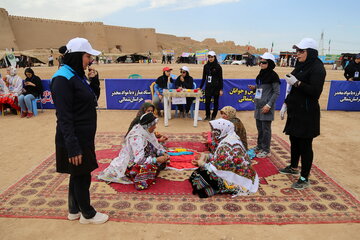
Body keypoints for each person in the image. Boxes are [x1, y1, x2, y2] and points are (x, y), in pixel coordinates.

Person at [50, 37, 108, 224]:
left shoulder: (76, 76)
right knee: (83, 175)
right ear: (76, 56)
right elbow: (64, 116)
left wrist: (95, 81)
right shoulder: (62, 79)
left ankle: (74, 210)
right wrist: (73, 147)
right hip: (74, 137)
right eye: (87, 56)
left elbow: (91, 100)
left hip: (82, 135)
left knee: (77, 174)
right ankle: (88, 214)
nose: (90, 60)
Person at [279, 38, 326, 190]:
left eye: (301, 51)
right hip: (295, 109)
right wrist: (286, 103)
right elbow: (292, 88)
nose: (297, 54)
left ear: (310, 52)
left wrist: (297, 83)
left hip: (307, 112)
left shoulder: (318, 68)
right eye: (296, 51)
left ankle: (304, 177)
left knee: (305, 145)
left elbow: (315, 92)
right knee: (294, 140)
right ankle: (293, 167)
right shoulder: (300, 65)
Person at [98, 112, 170, 190]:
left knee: (161, 160)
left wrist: (163, 153)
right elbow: (139, 160)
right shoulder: (137, 137)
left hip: (145, 156)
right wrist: (156, 159)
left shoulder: (147, 132)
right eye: (153, 125)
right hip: (133, 162)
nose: (155, 127)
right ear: (148, 126)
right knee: (147, 168)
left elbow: (155, 146)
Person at [189, 119, 259, 198]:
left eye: (214, 131)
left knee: (204, 177)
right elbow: (219, 158)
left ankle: (231, 187)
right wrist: (205, 156)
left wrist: (201, 163)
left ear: (222, 130)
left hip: (240, 180)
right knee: (199, 173)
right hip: (240, 175)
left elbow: (215, 169)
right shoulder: (229, 138)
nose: (212, 133)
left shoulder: (227, 145)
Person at [248, 52, 280, 158]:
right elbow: (262, 89)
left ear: (270, 63)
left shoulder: (273, 76)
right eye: (260, 62)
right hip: (258, 104)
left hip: (266, 106)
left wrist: (269, 105)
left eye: (264, 62)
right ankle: (259, 146)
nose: (261, 64)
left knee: (266, 128)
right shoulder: (261, 74)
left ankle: (266, 149)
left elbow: (276, 92)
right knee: (259, 128)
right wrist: (255, 88)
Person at [199, 51, 223, 120]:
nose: (210, 58)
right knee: (207, 102)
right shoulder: (206, 66)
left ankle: (213, 116)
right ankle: (207, 116)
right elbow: (204, 78)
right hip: (208, 87)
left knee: (216, 103)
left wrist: (221, 89)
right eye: (209, 57)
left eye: (212, 57)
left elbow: (221, 78)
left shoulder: (218, 67)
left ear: (214, 57)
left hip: (216, 87)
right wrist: (200, 87)